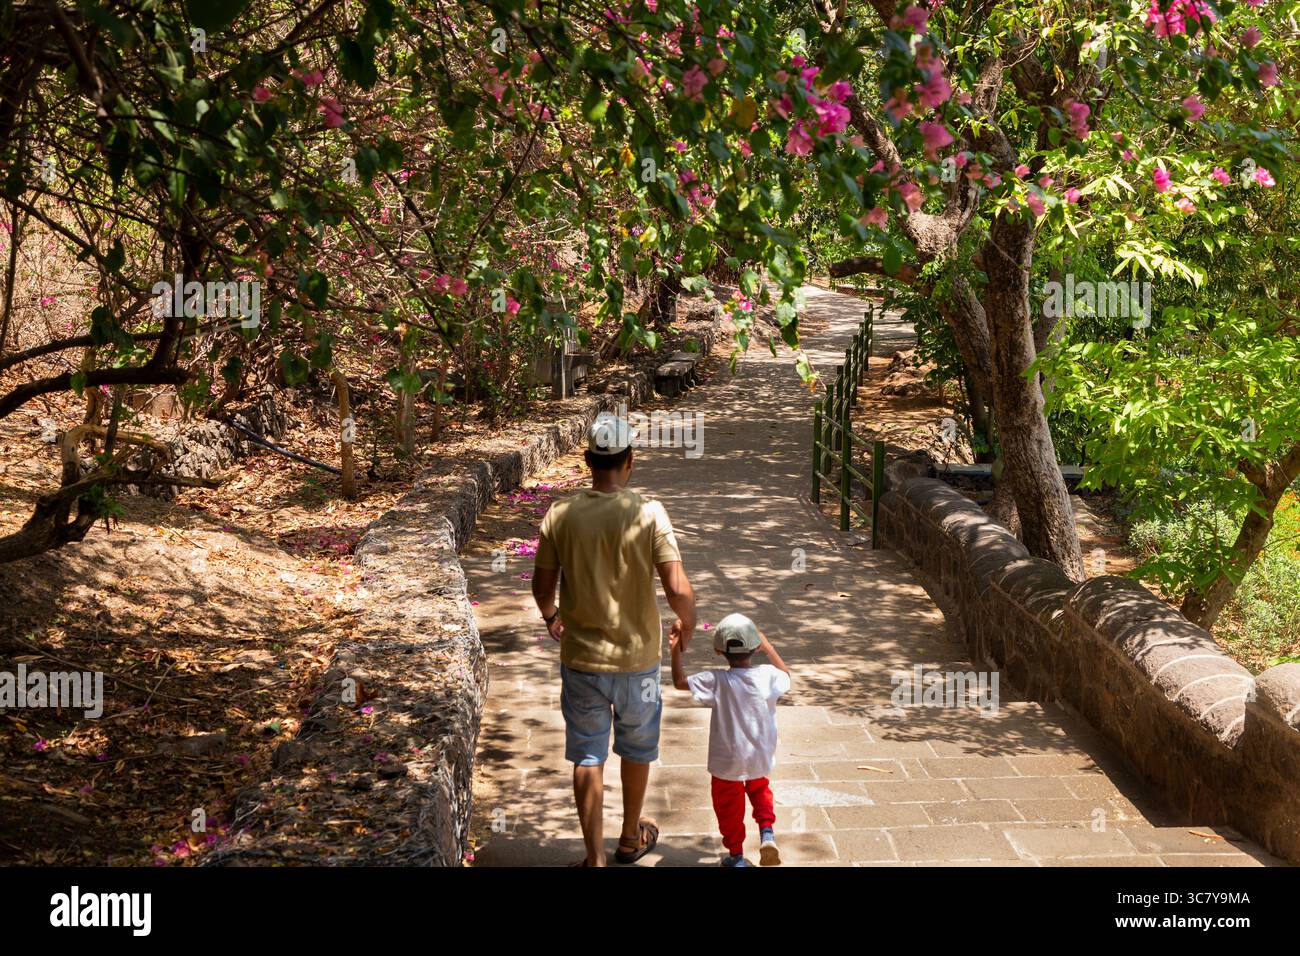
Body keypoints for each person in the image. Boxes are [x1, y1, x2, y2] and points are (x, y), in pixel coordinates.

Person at [532, 412, 697, 866]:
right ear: (630, 462)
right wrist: (687, 623)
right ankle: (629, 837)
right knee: (637, 747)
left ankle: (594, 858)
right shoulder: (648, 512)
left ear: (588, 461)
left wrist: (551, 618)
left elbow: (542, 587)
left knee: (587, 755)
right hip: (638, 662)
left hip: (582, 660)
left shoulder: (561, 514)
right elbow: (677, 587)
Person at [670, 612, 791, 867]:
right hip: (758, 756)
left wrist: (675, 649)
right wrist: (767, 645)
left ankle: (736, 856)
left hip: (727, 763)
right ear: (756, 647)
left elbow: (680, 682)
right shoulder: (768, 675)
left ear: (718, 651)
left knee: (728, 807)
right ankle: (767, 832)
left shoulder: (716, 680)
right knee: (760, 791)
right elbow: (786, 675)